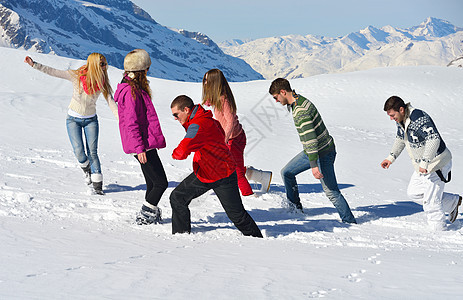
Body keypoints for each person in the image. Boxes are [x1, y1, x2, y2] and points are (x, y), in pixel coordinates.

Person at [169, 95, 263, 237]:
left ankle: (258, 241)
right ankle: (181, 237)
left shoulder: (198, 125)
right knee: (177, 197)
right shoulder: (204, 120)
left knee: (237, 215)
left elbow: (182, 152)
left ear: (186, 110)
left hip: (222, 175)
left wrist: (175, 154)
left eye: (176, 115)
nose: (175, 119)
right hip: (207, 172)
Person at [24, 53, 118, 195]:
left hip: (91, 121)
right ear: (93, 64)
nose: (105, 67)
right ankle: (87, 171)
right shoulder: (76, 75)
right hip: (73, 120)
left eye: (105, 64)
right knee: (79, 152)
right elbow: (54, 72)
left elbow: (110, 100)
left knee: (92, 152)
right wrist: (34, 64)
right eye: (102, 64)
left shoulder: (102, 81)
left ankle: (98, 189)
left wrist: (120, 119)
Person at [269, 78, 357, 224]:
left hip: (322, 152)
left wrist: (313, 165)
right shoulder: (298, 100)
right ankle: (295, 208)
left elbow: (311, 139)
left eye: (276, 97)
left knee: (331, 191)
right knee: (287, 172)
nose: (276, 101)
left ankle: (349, 221)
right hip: (313, 151)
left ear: (283, 92)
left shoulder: (300, 111)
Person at [380, 96, 461, 230]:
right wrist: (390, 158)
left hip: (437, 163)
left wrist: (425, 162)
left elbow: (433, 139)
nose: (391, 118)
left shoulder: (418, 118)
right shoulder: (401, 120)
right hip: (423, 166)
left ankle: (439, 232)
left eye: (392, 115)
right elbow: (401, 139)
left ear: (401, 109)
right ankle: (452, 202)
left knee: (431, 202)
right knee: (414, 192)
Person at [114, 49, 168, 225]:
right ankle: (144, 216)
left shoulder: (134, 88)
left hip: (145, 143)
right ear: (141, 71)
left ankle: (149, 216)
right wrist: (139, 148)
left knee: (153, 183)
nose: (148, 72)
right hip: (142, 144)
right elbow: (131, 122)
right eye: (146, 69)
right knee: (161, 183)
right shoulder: (131, 92)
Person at [201, 69, 272, 196]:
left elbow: (231, 121)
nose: (205, 82)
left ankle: (248, 195)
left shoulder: (224, 99)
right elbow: (208, 103)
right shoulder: (217, 98)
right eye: (204, 80)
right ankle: (261, 176)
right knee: (230, 166)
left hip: (234, 139)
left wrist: (225, 140)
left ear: (214, 82)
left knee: (236, 171)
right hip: (232, 138)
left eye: (207, 80)